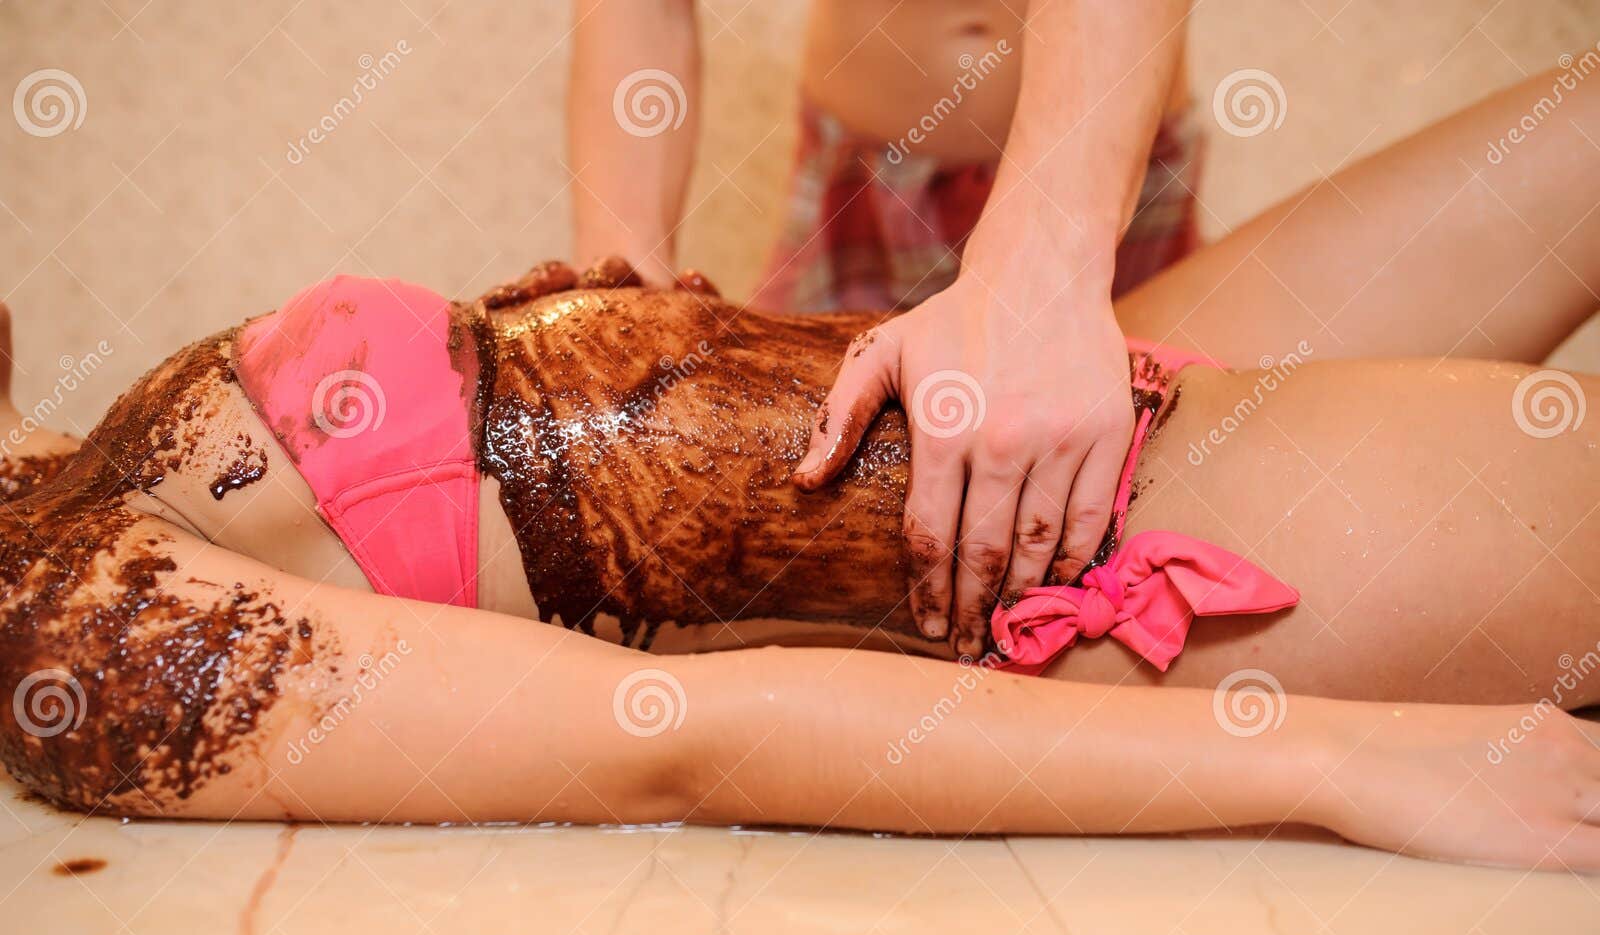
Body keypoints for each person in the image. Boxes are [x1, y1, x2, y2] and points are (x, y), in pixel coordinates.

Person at [0, 70, 1597, 871]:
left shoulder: (102, 459)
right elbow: (677, 735)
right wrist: (1346, 765)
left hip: (1068, 378)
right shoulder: (76, 630)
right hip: (1100, 543)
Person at [569, 0, 1198, 659]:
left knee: (1115, 575)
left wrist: (1053, 265)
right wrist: (621, 282)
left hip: (1105, 181)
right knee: (788, 574)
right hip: (862, 198)